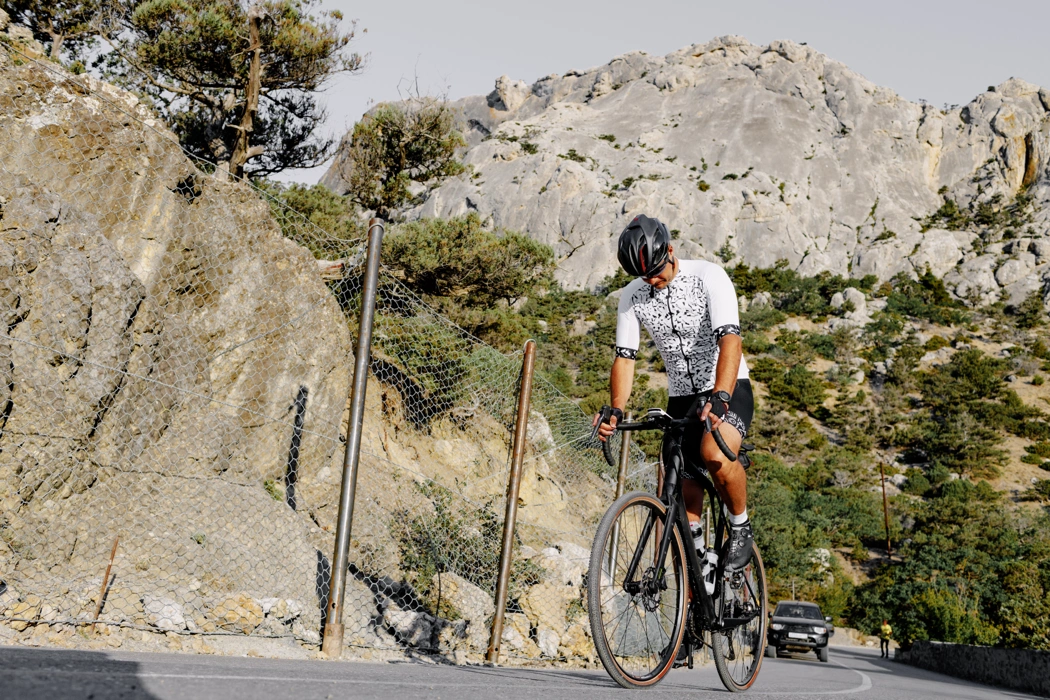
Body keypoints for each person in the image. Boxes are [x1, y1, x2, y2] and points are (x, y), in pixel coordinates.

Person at [593, 214, 754, 571]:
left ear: (670, 249)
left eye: (656, 270)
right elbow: (625, 357)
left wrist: (721, 395)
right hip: (681, 397)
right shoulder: (632, 296)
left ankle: (741, 526)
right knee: (676, 488)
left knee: (714, 453)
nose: (653, 280)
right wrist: (617, 409)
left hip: (726, 386)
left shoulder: (709, 276)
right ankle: (697, 576)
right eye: (644, 275)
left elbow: (730, 339)